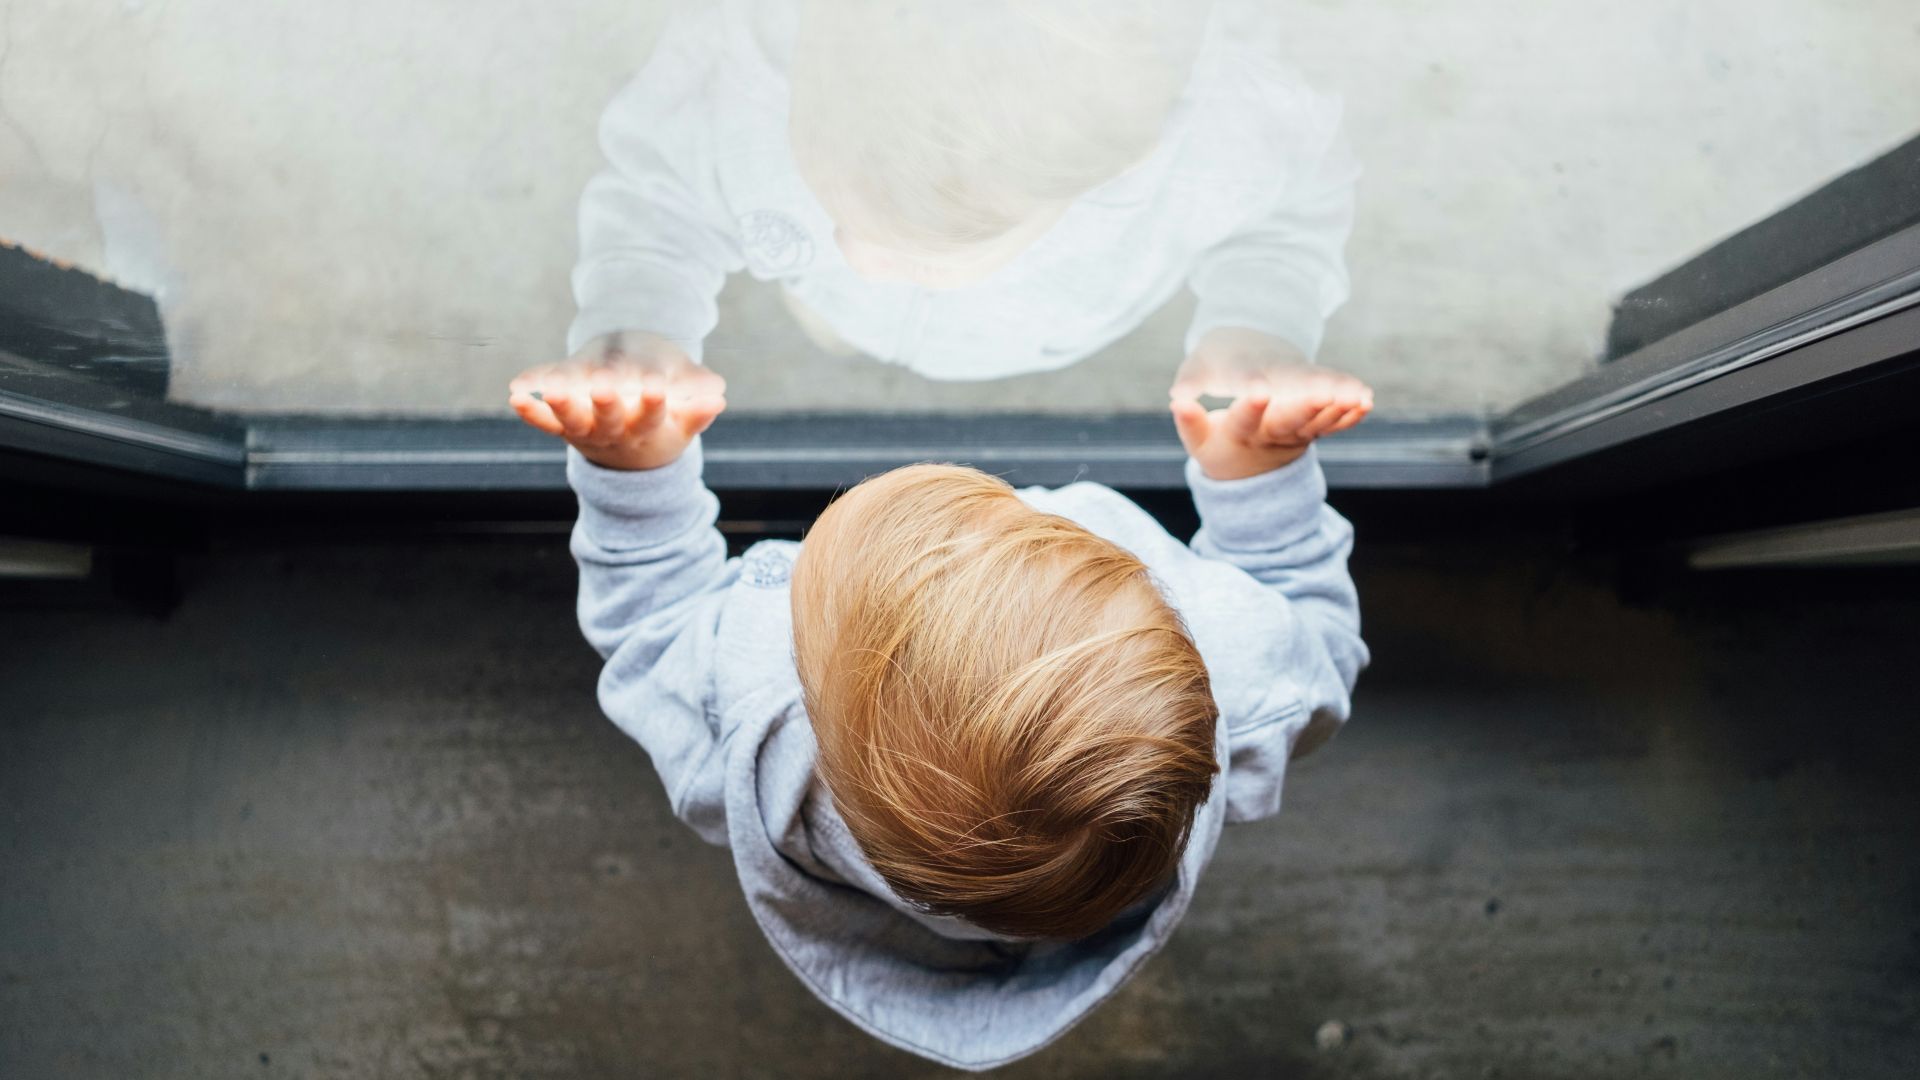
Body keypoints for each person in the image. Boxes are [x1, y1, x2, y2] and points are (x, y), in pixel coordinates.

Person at [504, 358, 1373, 1069]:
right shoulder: (1234, 662)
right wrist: (1259, 481)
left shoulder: (752, 725)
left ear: (805, 678)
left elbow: (655, 630)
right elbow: (1318, 644)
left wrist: (633, 470)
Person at [566, 0, 1359, 400]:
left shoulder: (1223, 141)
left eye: (915, 250)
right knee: (833, 305)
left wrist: (1257, 325)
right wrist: (637, 322)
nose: (858, 258)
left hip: (1064, 327)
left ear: (1092, 182)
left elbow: (1284, 224)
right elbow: (661, 196)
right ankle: (844, 332)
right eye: (836, 208)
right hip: (827, 310)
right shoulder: (735, 82)